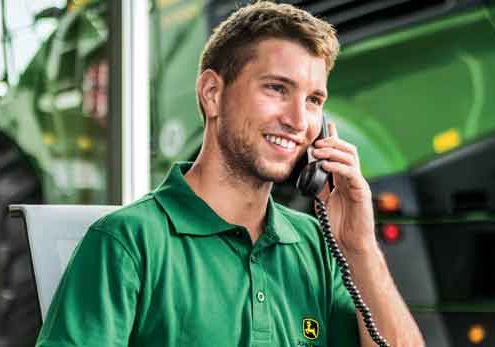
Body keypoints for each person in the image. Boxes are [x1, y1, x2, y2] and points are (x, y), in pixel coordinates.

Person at [35, 2, 423, 346]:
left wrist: (360, 247)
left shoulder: (316, 248)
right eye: (276, 88)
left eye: (313, 100)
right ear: (212, 93)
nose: (297, 120)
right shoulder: (127, 243)